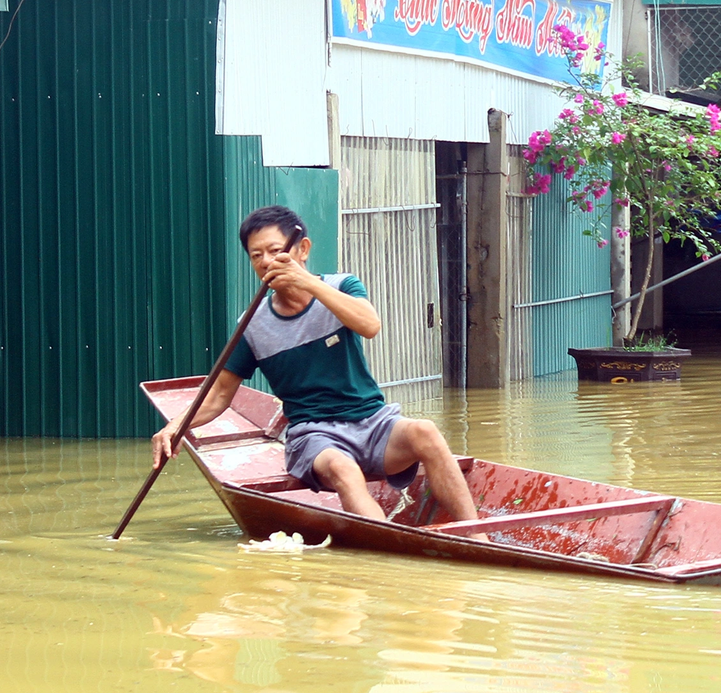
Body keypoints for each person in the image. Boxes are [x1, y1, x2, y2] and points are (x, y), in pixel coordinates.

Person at [151, 205, 481, 526]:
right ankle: (397, 550)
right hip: (314, 434)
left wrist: (308, 283)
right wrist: (175, 427)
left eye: (275, 251)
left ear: (302, 250)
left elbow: (370, 325)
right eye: (256, 256)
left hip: (372, 421)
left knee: (426, 431)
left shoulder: (342, 287)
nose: (266, 262)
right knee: (343, 468)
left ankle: (477, 536)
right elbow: (219, 394)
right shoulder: (252, 324)